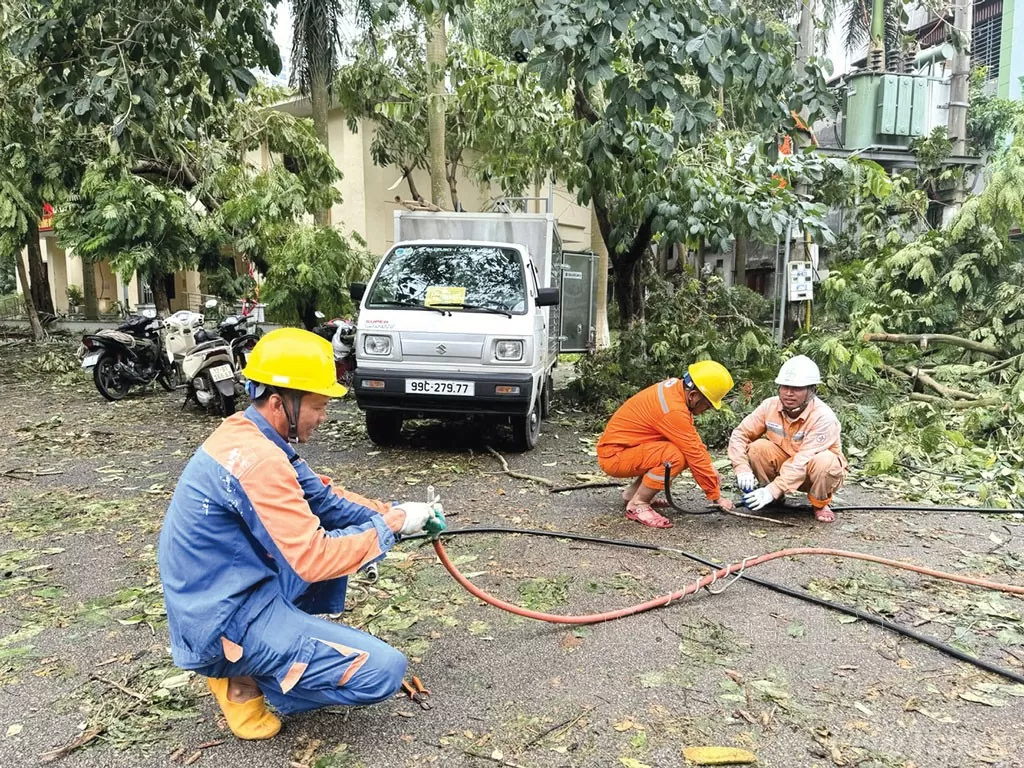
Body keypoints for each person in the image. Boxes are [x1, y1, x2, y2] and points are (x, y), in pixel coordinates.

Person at [158, 328, 445, 740]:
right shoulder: (259, 461)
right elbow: (312, 556)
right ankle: (246, 678)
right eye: (318, 405)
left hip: (229, 585)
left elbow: (326, 502)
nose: (324, 416)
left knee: (345, 532)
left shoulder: (250, 432)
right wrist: (390, 527)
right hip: (221, 619)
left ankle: (274, 648)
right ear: (280, 403)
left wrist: (398, 513)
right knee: (384, 671)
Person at [596, 361, 737, 529]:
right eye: (708, 405)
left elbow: (690, 438)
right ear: (693, 396)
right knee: (674, 456)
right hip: (614, 457)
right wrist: (716, 497)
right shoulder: (673, 410)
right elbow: (693, 452)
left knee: (674, 449)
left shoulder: (674, 391)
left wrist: (709, 467)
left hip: (622, 450)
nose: (708, 409)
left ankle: (633, 494)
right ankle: (638, 504)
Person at [728, 355, 847, 522]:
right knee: (758, 448)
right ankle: (774, 498)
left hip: (812, 472)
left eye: (797, 388)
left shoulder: (823, 417)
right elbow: (741, 434)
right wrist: (741, 467)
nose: (789, 393)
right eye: (785, 387)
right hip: (785, 465)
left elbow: (803, 460)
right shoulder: (770, 406)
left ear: (811, 391)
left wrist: (773, 489)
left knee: (825, 462)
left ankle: (819, 503)